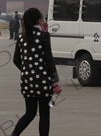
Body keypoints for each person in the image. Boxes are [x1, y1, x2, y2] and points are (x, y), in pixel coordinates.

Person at [11, 8, 62, 136]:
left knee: (30, 113)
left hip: (27, 81)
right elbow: (49, 60)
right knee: (44, 114)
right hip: (43, 81)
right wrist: (55, 80)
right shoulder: (43, 36)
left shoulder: (21, 36)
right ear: (38, 20)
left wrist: (27, 70)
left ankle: (14, 134)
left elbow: (16, 59)